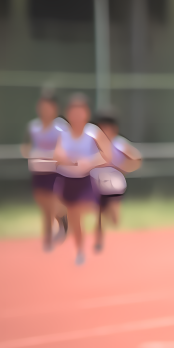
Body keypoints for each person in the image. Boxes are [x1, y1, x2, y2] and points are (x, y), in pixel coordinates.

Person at [53, 93, 112, 266]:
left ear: (87, 113)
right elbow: (57, 155)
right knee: (74, 217)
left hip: (85, 180)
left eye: (80, 111)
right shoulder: (63, 134)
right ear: (68, 113)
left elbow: (107, 155)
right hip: (66, 179)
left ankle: (97, 230)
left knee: (85, 209)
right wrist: (64, 159)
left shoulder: (93, 132)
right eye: (73, 111)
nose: (77, 115)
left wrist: (90, 162)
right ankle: (79, 250)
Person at [20, 91, 68, 252]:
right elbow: (26, 147)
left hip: (56, 172)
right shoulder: (33, 127)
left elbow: (65, 148)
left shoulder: (61, 127)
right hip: (38, 171)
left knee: (53, 204)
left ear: (55, 108)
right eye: (42, 106)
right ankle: (54, 227)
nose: (44, 110)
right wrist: (30, 154)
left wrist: (54, 156)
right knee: (44, 205)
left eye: (48, 106)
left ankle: (52, 233)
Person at [93, 110, 143, 254]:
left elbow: (136, 159)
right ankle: (98, 241)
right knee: (99, 213)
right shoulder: (95, 143)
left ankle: (110, 223)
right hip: (98, 182)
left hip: (114, 184)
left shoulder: (119, 143)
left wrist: (124, 167)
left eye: (108, 127)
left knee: (115, 218)